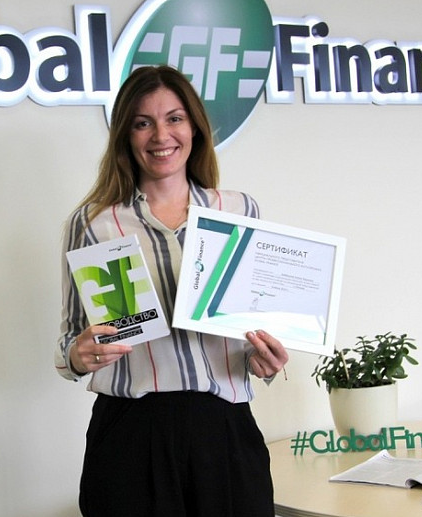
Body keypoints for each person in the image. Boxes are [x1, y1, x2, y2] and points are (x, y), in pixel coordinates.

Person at [55, 64, 290, 517]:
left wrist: (264, 359)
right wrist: (77, 356)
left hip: (224, 431)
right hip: (130, 434)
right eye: (143, 123)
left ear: (195, 127)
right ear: (125, 135)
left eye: (174, 118)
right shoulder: (93, 223)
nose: (161, 135)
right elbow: (69, 342)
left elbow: (252, 326)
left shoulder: (239, 211)